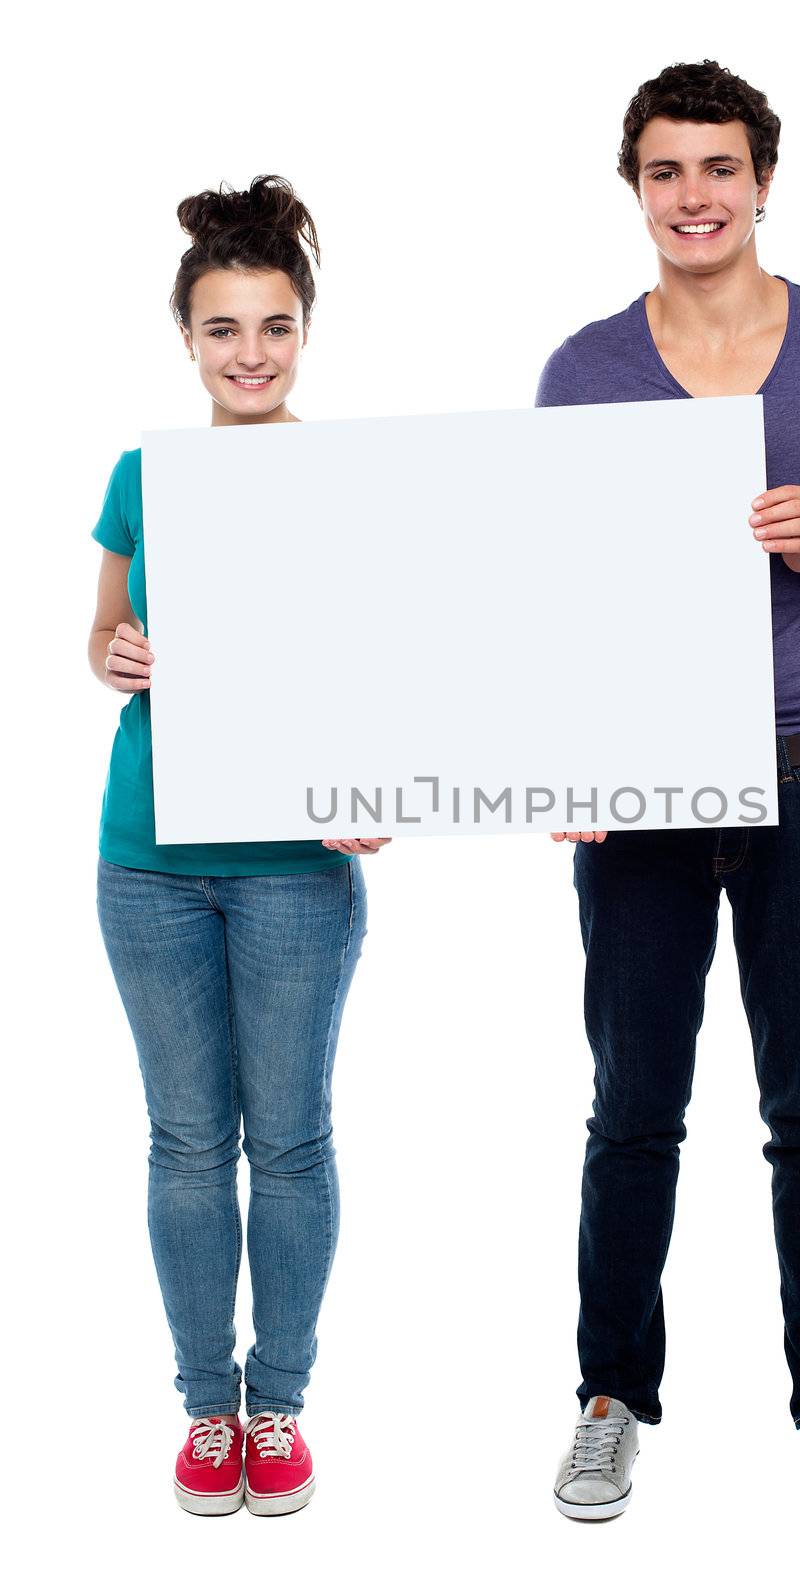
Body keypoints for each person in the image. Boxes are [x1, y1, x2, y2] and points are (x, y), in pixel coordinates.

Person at [536, 61, 800, 1526]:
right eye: (665, 171)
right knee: (630, 1109)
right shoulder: (585, 368)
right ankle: (606, 1401)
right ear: (635, 190)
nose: (694, 195)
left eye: (717, 167)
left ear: (763, 180)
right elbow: (548, 599)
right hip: (640, 794)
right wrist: (553, 755)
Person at [89, 175, 390, 1516]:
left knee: (293, 1144)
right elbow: (101, 643)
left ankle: (281, 1404)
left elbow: (396, 677)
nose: (249, 353)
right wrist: (118, 653)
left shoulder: (349, 486)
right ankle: (207, 1411)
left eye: (272, 326)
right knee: (183, 1141)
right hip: (149, 856)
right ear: (189, 338)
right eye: (223, 330)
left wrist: (380, 787)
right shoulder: (144, 475)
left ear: (304, 330)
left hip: (292, 872)